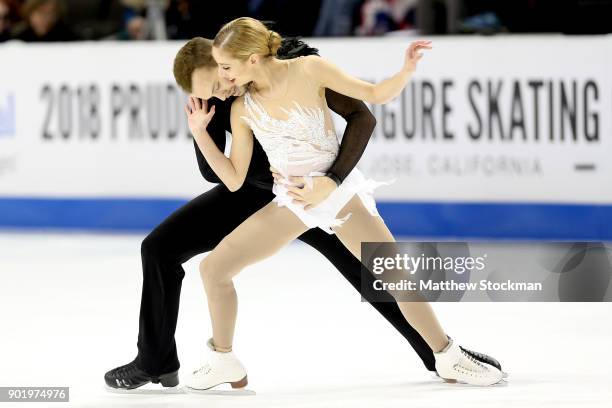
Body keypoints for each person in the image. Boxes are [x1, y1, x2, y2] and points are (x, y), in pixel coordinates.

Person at [104, 35, 502, 391]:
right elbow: (223, 175)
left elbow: (365, 111)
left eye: (219, 79)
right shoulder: (221, 101)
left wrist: (331, 181)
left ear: (234, 59)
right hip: (265, 193)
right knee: (165, 251)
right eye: (204, 93)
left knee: (375, 270)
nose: (216, 95)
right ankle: (167, 360)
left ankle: (442, 354)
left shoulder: (295, 66)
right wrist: (200, 128)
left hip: (320, 186)